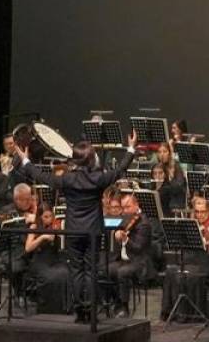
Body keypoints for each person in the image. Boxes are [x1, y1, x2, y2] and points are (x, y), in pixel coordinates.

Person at [18, 130, 137, 323]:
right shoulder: (98, 178)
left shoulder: (67, 179)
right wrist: (131, 148)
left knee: (76, 270)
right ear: (90, 160)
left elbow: (40, 176)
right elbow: (120, 170)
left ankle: (79, 311)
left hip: (73, 230)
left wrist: (25, 160)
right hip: (92, 231)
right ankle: (90, 310)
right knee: (90, 270)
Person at [161, 196, 209, 322]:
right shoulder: (192, 226)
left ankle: (187, 314)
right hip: (192, 262)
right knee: (171, 271)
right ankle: (169, 312)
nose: (200, 215)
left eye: (203, 212)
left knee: (186, 275)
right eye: (197, 212)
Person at [108, 192, 153, 318]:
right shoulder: (124, 219)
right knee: (106, 269)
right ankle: (116, 301)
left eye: (128, 207)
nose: (125, 211)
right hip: (123, 259)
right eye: (123, 208)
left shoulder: (144, 223)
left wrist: (125, 239)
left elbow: (138, 248)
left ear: (136, 205)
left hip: (138, 261)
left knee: (122, 272)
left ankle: (124, 306)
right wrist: (116, 235)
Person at [23, 204, 70, 314]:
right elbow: (28, 248)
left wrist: (59, 234)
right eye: (45, 217)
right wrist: (42, 237)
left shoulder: (55, 226)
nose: (49, 219)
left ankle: (63, 309)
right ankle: (48, 309)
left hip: (54, 259)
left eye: (50, 216)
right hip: (40, 261)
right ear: (40, 217)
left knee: (65, 273)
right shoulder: (34, 227)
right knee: (50, 277)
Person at [153, 142, 187, 212]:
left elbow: (178, 187)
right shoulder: (157, 167)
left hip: (174, 199)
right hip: (163, 198)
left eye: (164, 151)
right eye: (159, 152)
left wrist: (171, 177)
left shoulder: (176, 166)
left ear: (169, 153)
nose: (162, 154)